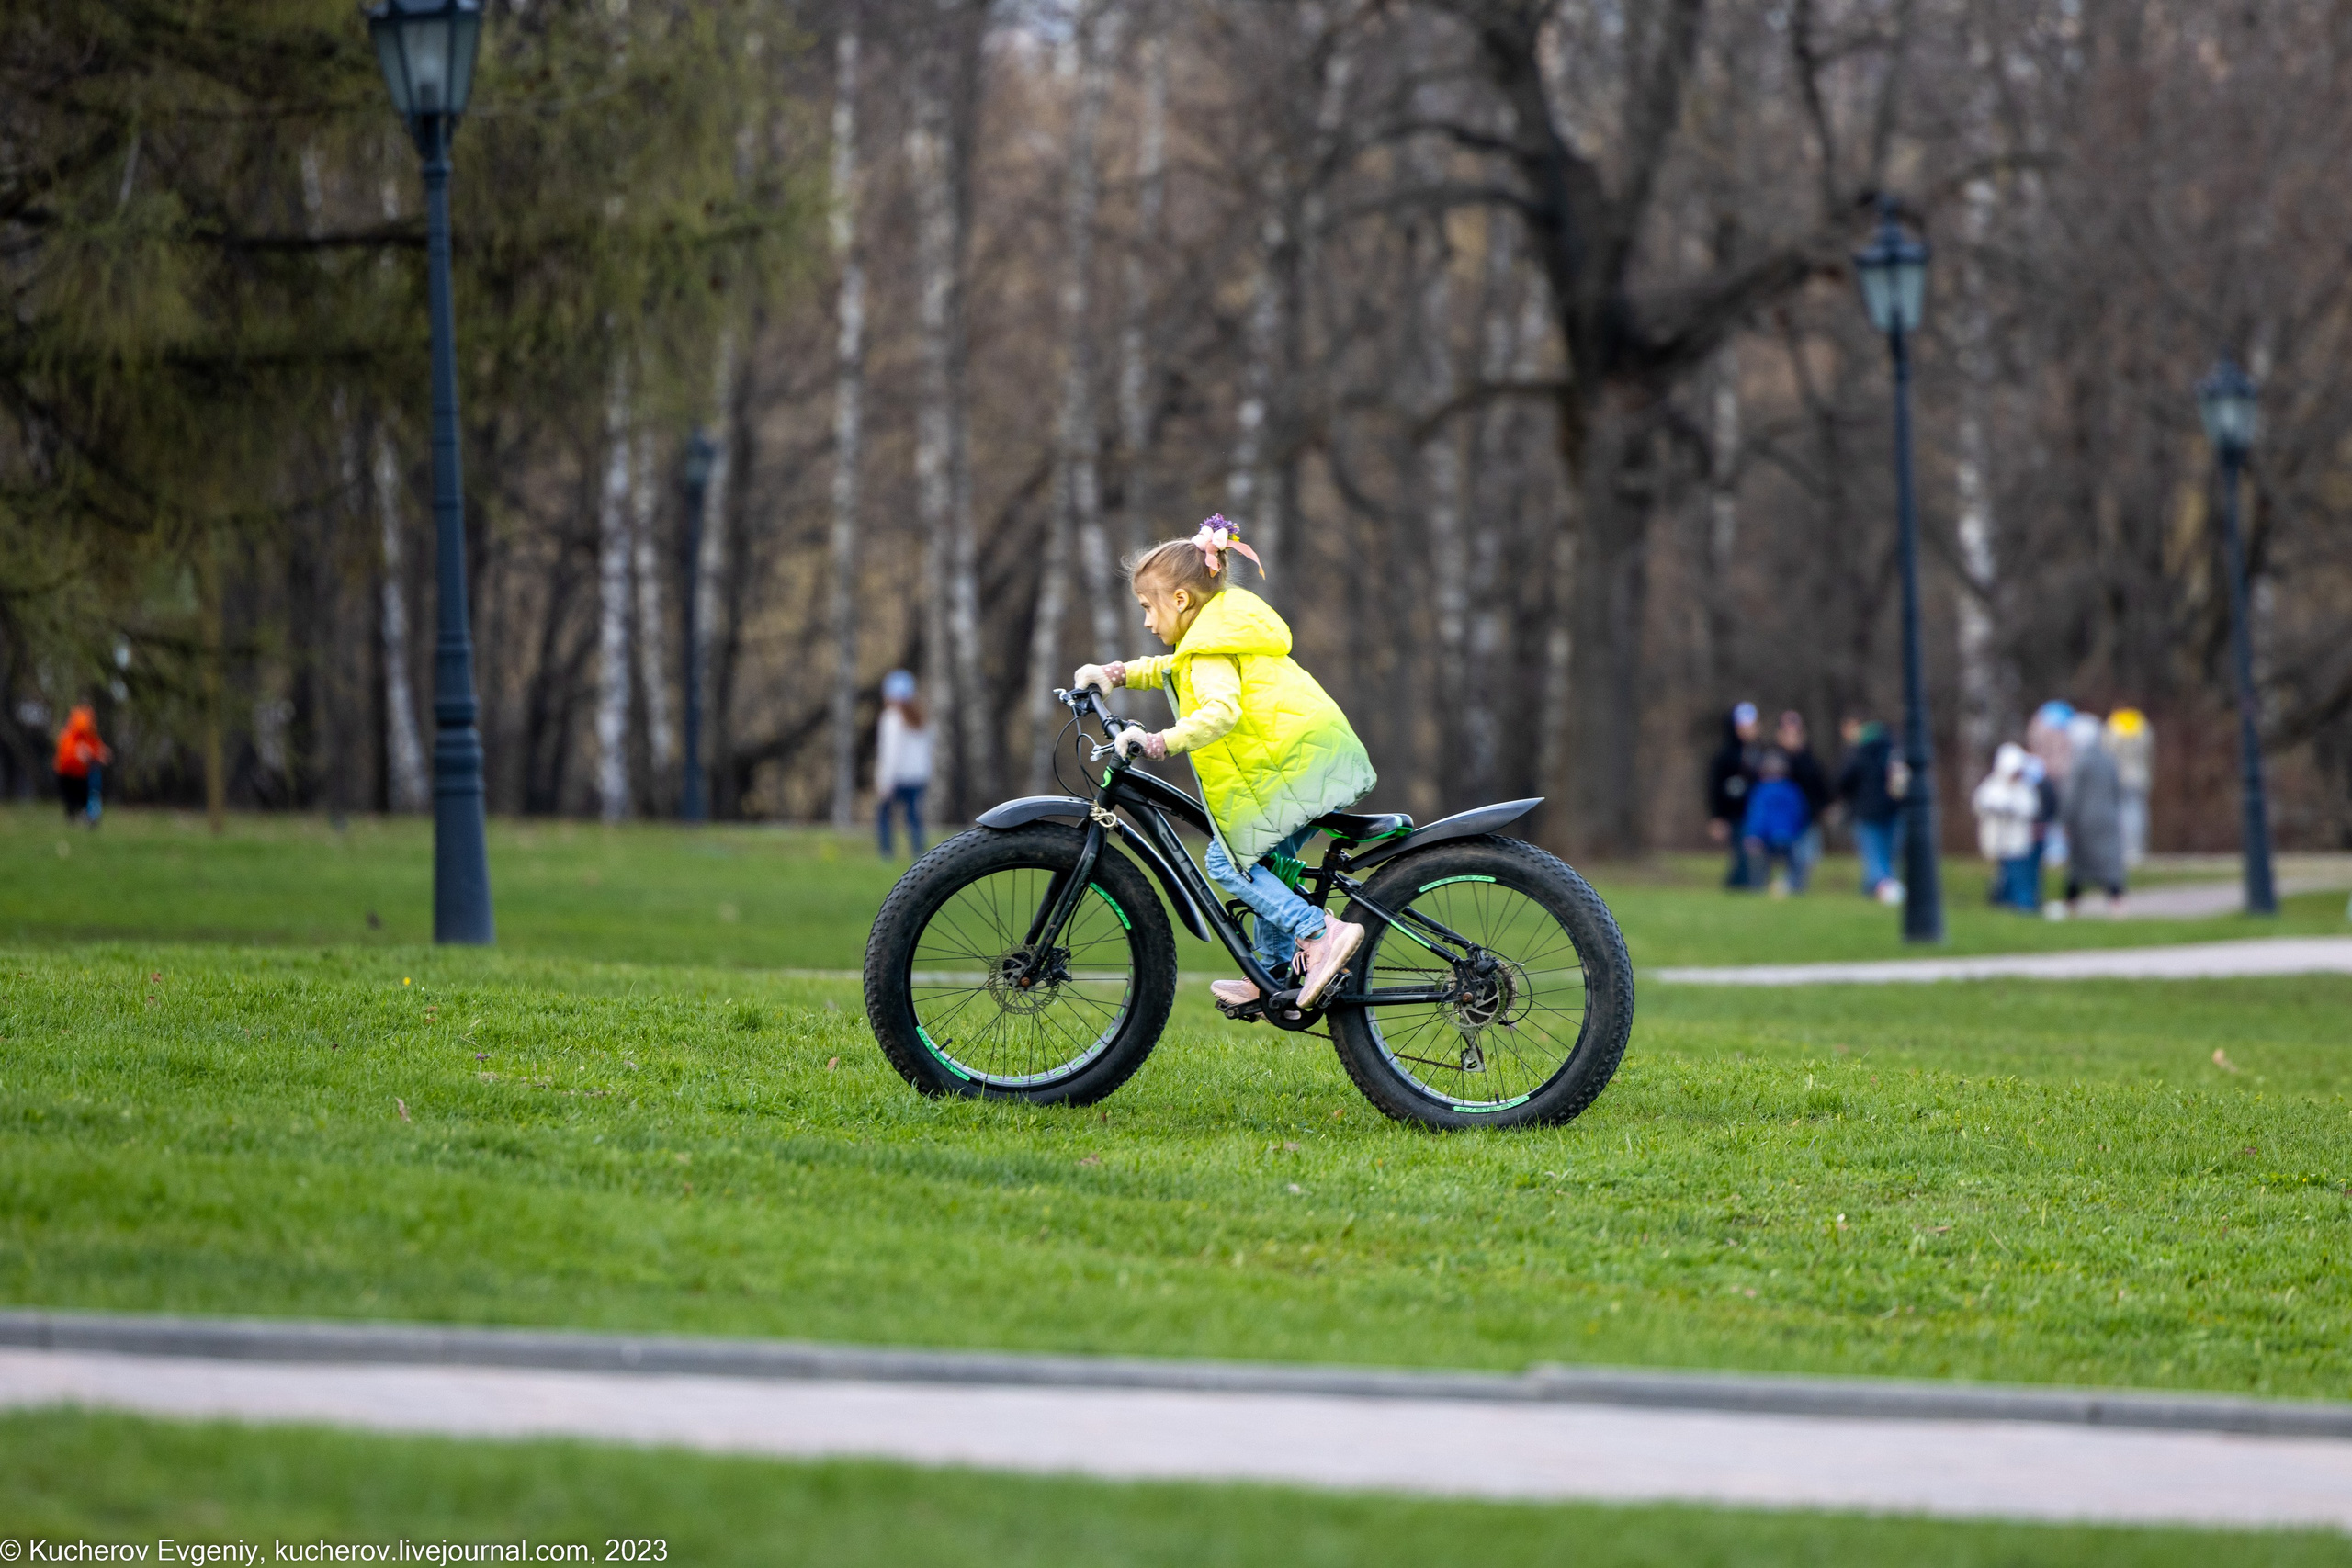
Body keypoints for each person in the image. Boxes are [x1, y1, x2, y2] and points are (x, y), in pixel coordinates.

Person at [1074, 515, 1377, 1010]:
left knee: (1226, 860)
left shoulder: (1211, 648)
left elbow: (1220, 712)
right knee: (1262, 860)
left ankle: (1318, 933)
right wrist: (1116, 674)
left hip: (1295, 767)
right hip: (1313, 759)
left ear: (1180, 601)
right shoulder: (1217, 632)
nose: (1148, 621)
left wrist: (1159, 742)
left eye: (1148, 608)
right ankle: (1272, 970)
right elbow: (1173, 668)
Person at [2055, 713, 2127, 917]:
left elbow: (2071, 795)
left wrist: (2065, 820)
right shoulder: (2109, 760)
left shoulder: (2079, 762)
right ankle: (2117, 904)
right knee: (2110, 864)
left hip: (2084, 822)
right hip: (2109, 819)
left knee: (2079, 866)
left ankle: (2071, 905)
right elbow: (2117, 790)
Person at [1836, 714, 1903, 902]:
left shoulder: (1858, 751)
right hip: (1892, 810)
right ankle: (1876, 890)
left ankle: (1885, 891)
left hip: (1866, 811)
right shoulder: (1892, 749)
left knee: (1873, 855)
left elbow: (1844, 781)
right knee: (1888, 854)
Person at [1971, 741, 2040, 912]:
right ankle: (2001, 904)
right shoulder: (1992, 786)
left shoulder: (2024, 789)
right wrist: (1996, 807)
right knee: (2000, 878)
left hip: (2017, 844)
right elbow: (1980, 803)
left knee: (2018, 877)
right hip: (1997, 842)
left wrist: (2012, 808)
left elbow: (2031, 808)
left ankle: (2023, 907)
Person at [874, 670, 932, 858]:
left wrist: (885, 782)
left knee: (884, 816)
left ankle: (886, 854)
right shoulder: (921, 718)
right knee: (914, 819)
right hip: (918, 777)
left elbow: (891, 754)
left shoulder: (891, 718)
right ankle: (919, 855)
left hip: (898, 778)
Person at [1739, 749, 1812, 898]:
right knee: (1795, 865)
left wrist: (1753, 835)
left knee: (1761, 867)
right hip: (1789, 836)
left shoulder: (1761, 790)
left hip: (1766, 838)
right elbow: (1801, 813)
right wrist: (1798, 831)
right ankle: (1795, 889)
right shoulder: (1792, 790)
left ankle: (1759, 890)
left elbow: (1756, 816)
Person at [1705, 702, 1762, 888]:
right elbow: (1714, 787)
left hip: (1756, 813)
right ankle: (1736, 887)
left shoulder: (1758, 753)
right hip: (1735, 815)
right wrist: (1717, 817)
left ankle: (1747, 887)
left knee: (1753, 856)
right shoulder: (1725, 756)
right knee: (1742, 855)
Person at [1775, 710, 1831, 895]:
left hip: (1808, 817)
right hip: (1784, 820)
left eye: (1796, 734)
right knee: (1791, 858)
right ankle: (1789, 887)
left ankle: (1796, 888)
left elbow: (1819, 786)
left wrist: (1824, 807)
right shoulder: (1775, 761)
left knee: (1808, 858)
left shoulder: (1809, 759)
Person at [2106, 706, 2154, 866]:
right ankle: (2135, 850)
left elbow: (2109, 752)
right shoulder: (2142, 727)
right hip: (2138, 778)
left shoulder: (2113, 727)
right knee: (2137, 814)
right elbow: (2148, 753)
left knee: (2121, 814)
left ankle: (2123, 850)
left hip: (2119, 778)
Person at [52, 705, 110, 828]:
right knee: (71, 800)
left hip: (81, 775)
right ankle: (73, 819)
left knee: (84, 798)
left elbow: (98, 749)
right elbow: (67, 756)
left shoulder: (89, 736)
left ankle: (85, 818)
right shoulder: (69, 736)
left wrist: (99, 754)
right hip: (66, 774)